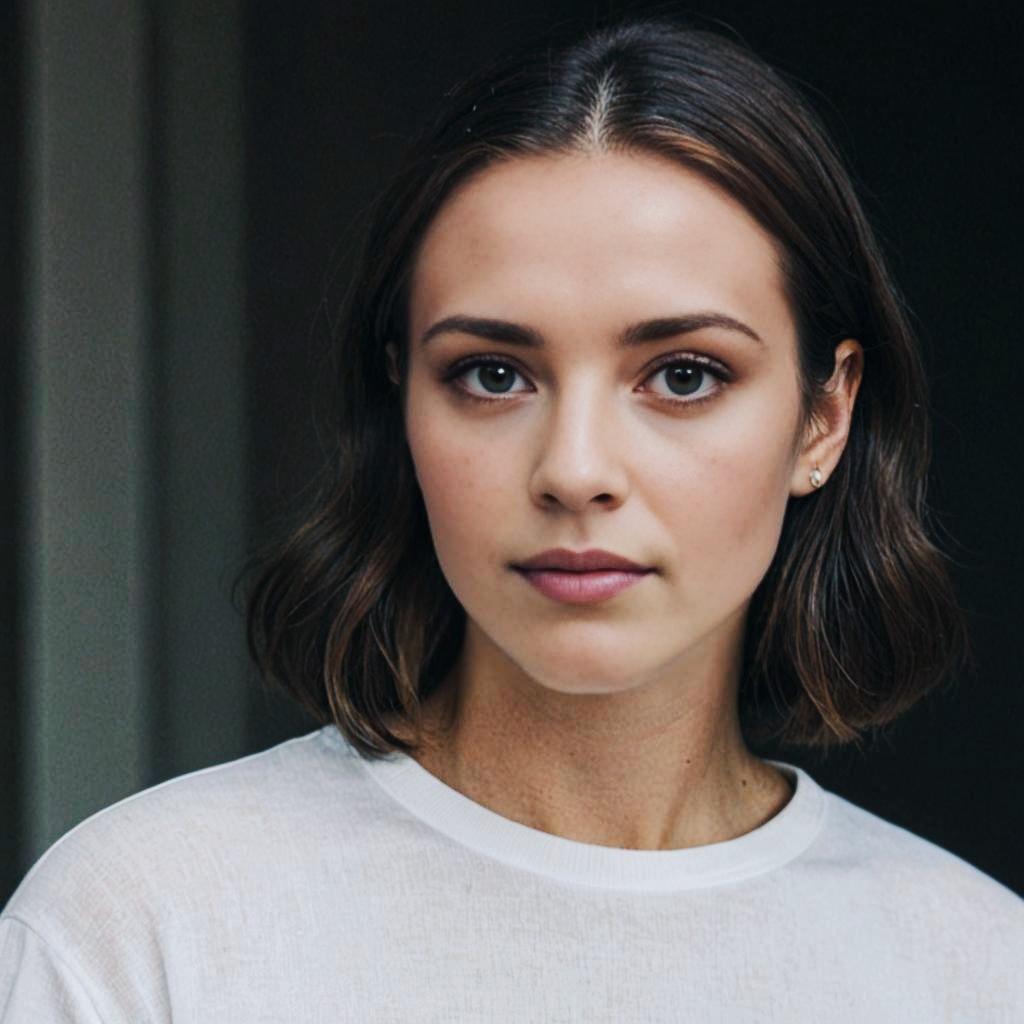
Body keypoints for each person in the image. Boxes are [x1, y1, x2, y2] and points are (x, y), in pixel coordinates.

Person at [2, 11, 1021, 1022]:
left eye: (682, 374)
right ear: (401, 394)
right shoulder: (138, 929)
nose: (574, 470)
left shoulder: (973, 969)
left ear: (822, 416)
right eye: (492, 374)